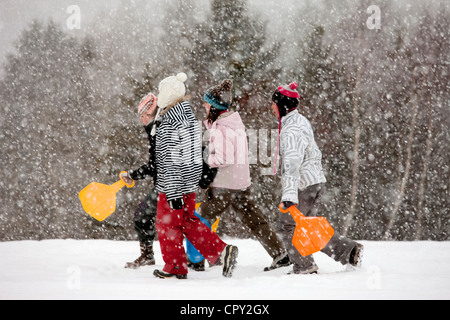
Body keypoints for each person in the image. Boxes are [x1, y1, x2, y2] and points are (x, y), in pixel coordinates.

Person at [270, 81, 364, 274]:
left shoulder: (292, 130)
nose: (271, 107)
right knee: (308, 227)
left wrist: (289, 195)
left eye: (273, 103)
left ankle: (304, 266)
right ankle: (348, 251)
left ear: (282, 105)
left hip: (302, 184)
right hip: (313, 181)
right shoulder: (299, 121)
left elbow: (292, 164)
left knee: (289, 225)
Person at [152, 72, 238, 279]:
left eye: (161, 92)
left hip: (173, 185)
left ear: (169, 95)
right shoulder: (187, 116)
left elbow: (171, 159)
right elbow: (192, 154)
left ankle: (175, 266)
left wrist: (172, 191)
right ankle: (221, 251)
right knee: (187, 222)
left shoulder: (171, 121)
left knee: (167, 224)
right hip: (187, 183)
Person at [199, 79, 290, 272]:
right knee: (255, 220)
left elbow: (224, 157)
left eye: (206, 103)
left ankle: (199, 258)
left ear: (214, 107)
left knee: (200, 220)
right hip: (240, 182)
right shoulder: (232, 122)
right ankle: (279, 253)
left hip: (224, 184)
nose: (203, 106)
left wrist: (206, 156)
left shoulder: (221, 128)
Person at [120, 93, 159, 269]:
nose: (142, 119)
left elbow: (155, 165)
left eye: (145, 115)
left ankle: (148, 255)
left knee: (142, 216)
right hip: (168, 183)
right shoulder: (154, 129)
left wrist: (133, 175)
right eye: (140, 116)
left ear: (153, 114)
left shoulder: (158, 130)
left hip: (168, 185)